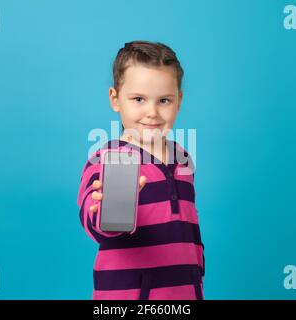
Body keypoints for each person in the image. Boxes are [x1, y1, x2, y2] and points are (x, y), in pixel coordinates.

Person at [77, 41, 205, 300]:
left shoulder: (183, 158)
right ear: (115, 99)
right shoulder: (106, 160)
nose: (152, 112)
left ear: (179, 101)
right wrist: (106, 211)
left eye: (164, 101)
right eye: (138, 99)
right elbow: (94, 222)